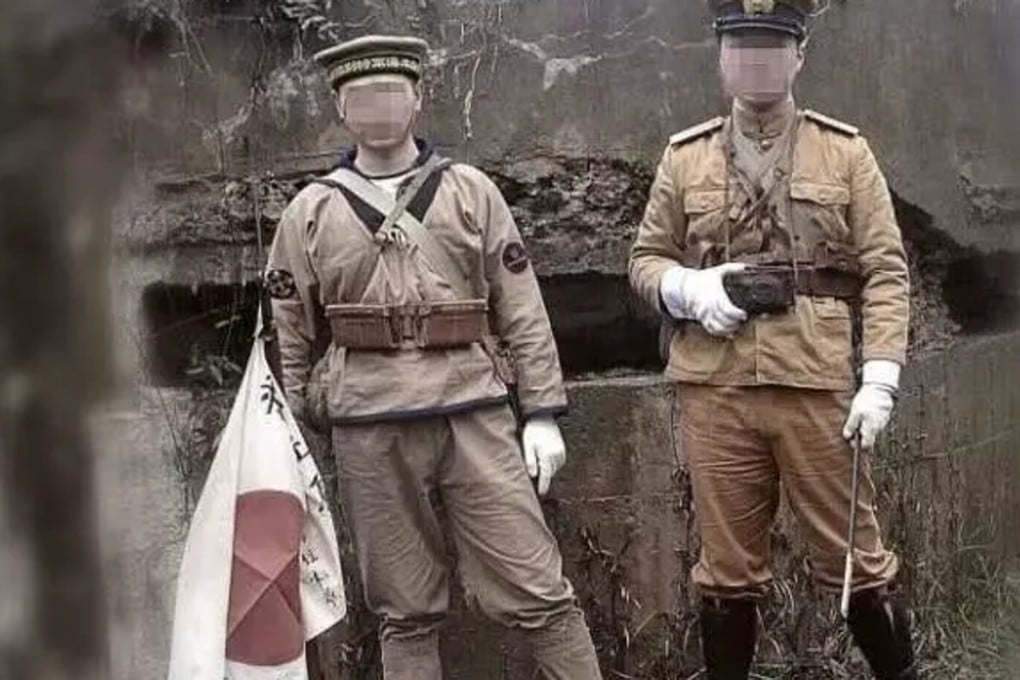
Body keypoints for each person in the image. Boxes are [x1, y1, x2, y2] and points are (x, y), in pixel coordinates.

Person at [264, 34, 602, 680]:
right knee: (404, 609)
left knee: (541, 590)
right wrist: (308, 406)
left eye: (390, 93)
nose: (378, 108)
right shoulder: (310, 212)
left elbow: (520, 303)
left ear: (418, 100)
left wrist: (541, 411)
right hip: (370, 422)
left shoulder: (470, 192)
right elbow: (287, 323)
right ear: (340, 109)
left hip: (472, 410)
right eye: (361, 97)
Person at [628, 2, 917, 678]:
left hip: (814, 388)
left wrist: (880, 375)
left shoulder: (844, 151)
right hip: (716, 391)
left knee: (855, 560)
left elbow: (884, 268)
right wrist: (687, 291)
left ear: (800, 55)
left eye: (771, 47)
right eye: (742, 48)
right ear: (721, 56)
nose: (756, 62)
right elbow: (644, 258)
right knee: (725, 574)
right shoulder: (684, 156)